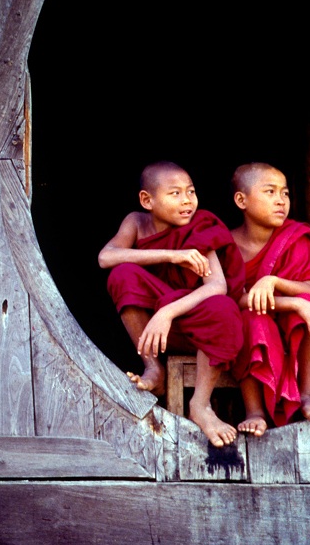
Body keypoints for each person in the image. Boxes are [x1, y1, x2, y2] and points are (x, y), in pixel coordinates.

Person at [98, 161, 245, 447]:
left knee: (224, 308)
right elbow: (106, 257)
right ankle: (153, 367)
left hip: (194, 326)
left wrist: (167, 311)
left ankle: (200, 405)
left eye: (191, 191)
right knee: (122, 275)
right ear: (146, 200)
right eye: (175, 193)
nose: (187, 200)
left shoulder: (200, 226)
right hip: (154, 331)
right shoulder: (136, 223)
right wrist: (172, 255)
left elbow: (217, 286)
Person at [229, 162, 310, 436]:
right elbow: (235, 300)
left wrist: (273, 282)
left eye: (285, 193)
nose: (281, 201)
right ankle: (254, 411)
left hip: (289, 323)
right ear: (241, 200)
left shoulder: (295, 237)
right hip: (250, 321)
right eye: (270, 192)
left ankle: (307, 396)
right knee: (251, 317)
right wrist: (294, 302)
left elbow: (309, 289)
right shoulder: (227, 245)